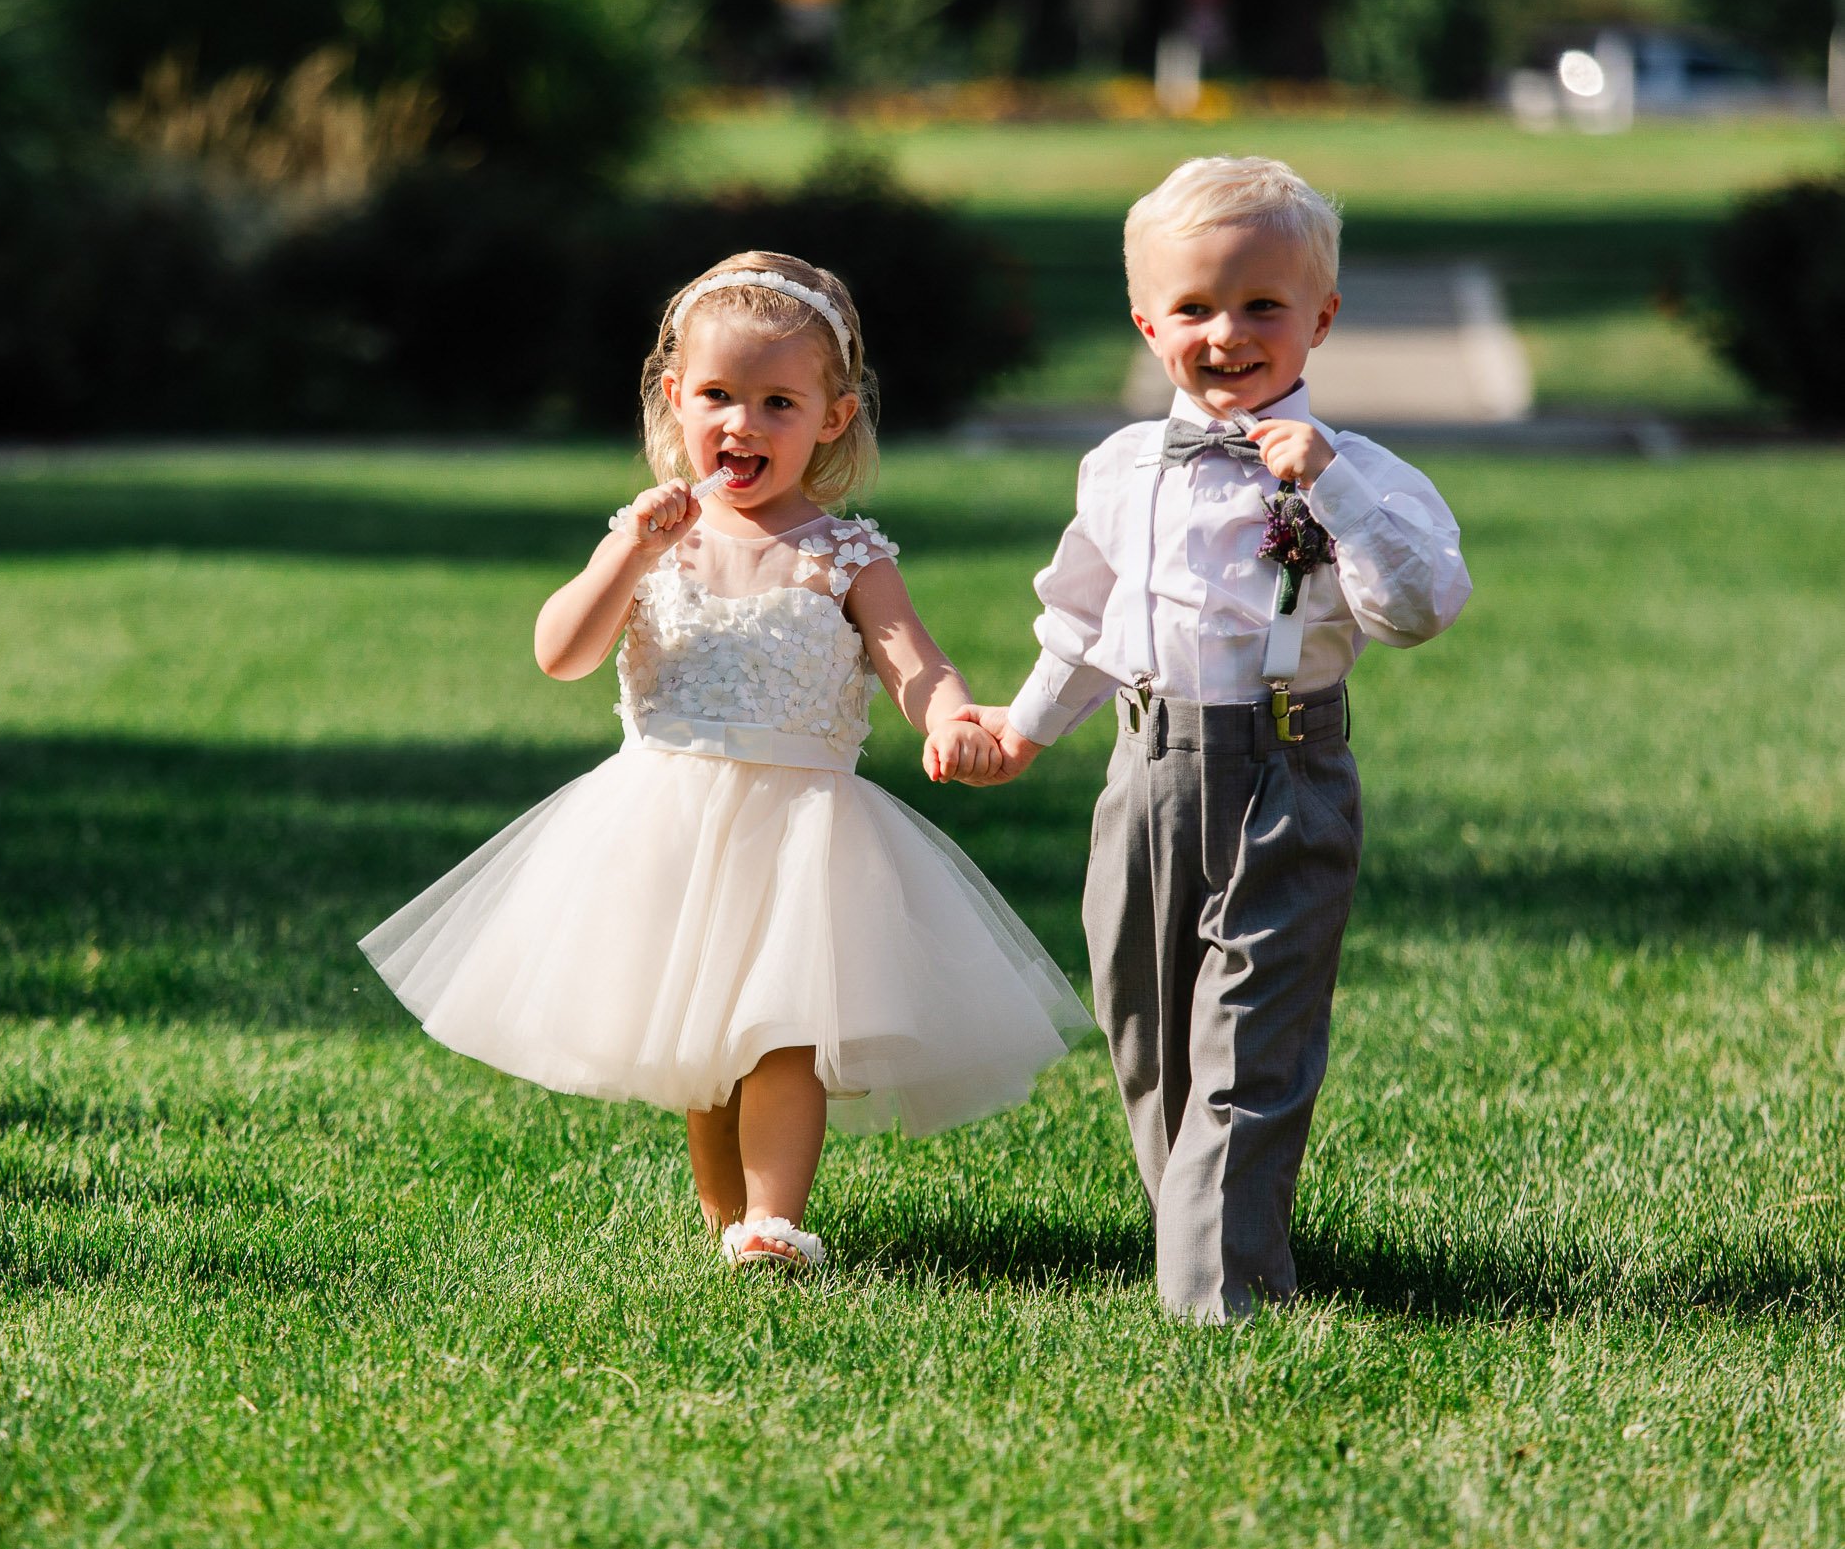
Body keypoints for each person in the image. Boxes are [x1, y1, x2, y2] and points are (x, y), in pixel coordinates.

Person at [363, 251, 1092, 1271]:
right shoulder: (653, 540)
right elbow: (561, 652)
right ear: (675, 396)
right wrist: (624, 554)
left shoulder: (844, 554)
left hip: (801, 833)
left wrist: (947, 715)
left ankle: (773, 1217)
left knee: (781, 1027)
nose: (740, 425)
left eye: (776, 402)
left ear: (831, 419)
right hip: (663, 821)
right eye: (716, 396)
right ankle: (726, 1218)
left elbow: (912, 660)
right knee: (700, 1035)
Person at [954, 157, 1472, 1320]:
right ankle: (1211, 1239)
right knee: (1147, 1030)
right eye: (1192, 308)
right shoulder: (1119, 469)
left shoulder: (1366, 476)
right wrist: (1024, 731)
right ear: (1146, 322)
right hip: (1143, 774)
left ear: (1319, 318)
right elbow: (1085, 624)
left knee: (1246, 1041)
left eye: (1261, 306)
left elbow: (1415, 611)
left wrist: (1331, 491)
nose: (1226, 334)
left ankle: (1219, 1297)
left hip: (1285, 768)